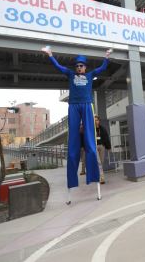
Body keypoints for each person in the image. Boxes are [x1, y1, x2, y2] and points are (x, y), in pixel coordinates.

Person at [42, 46, 111, 189]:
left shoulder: (90, 75)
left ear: (85, 67)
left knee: (90, 140)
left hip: (86, 104)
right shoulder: (70, 74)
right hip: (73, 105)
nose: (79, 68)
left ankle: (94, 175)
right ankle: (73, 179)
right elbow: (58, 66)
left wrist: (107, 56)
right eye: (77, 66)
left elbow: (103, 68)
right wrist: (50, 55)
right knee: (73, 137)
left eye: (81, 66)